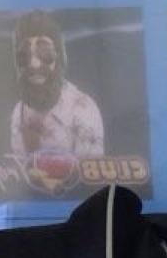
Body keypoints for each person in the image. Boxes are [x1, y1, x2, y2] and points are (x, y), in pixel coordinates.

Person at [9, 9, 105, 161]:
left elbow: (87, 173)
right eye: (23, 56)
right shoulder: (18, 112)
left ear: (59, 57)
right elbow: (21, 169)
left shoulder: (83, 110)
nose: (34, 64)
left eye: (44, 53)